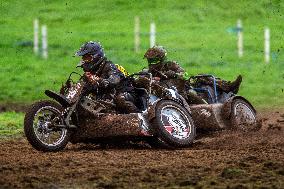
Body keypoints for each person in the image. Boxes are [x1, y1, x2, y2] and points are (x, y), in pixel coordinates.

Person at [143, 46, 243, 103]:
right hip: (163, 96)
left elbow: (186, 76)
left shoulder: (171, 65)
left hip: (182, 91)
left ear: (162, 59)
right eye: (150, 61)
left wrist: (173, 74)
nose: (152, 63)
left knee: (201, 79)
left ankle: (228, 88)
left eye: (154, 60)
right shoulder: (147, 72)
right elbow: (139, 80)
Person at [75, 41, 138, 113]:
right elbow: (81, 87)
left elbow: (114, 80)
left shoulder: (109, 66)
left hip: (126, 94)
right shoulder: (90, 73)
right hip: (107, 97)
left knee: (120, 99)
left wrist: (99, 81)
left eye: (87, 58)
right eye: (84, 58)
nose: (85, 61)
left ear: (96, 57)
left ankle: (140, 119)